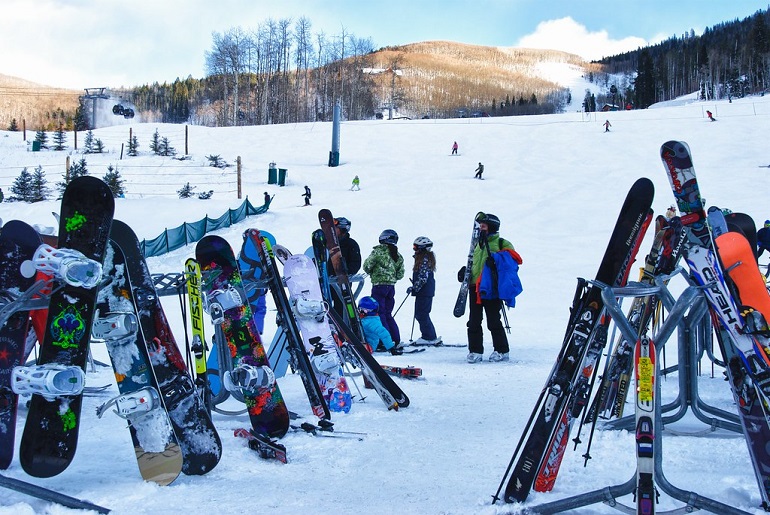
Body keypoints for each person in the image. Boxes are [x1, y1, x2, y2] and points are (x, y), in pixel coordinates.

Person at [462, 213, 522, 363]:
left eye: (483, 226)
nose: (480, 228)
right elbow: (475, 264)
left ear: (492, 226)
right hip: (475, 288)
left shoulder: (502, 243)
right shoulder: (477, 244)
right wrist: (466, 274)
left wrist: (496, 260)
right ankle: (475, 351)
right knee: (473, 321)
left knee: (493, 321)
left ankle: (502, 350)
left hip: (492, 289)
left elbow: (513, 263)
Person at [363, 229, 405, 345]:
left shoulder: (377, 252)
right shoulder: (397, 255)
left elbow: (367, 266)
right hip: (391, 287)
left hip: (378, 286)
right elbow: (401, 274)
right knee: (388, 313)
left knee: (379, 313)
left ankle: (384, 341)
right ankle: (395, 338)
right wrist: (391, 278)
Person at [409, 236, 440, 345]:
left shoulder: (424, 259)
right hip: (425, 291)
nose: (414, 249)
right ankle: (429, 336)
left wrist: (415, 287)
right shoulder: (424, 258)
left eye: (416, 247)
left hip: (424, 292)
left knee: (421, 314)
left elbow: (423, 277)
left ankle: (429, 337)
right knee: (421, 313)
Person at [328, 216, 362, 316]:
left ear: (343, 230)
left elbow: (356, 263)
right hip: (328, 281)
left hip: (342, 283)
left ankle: (344, 327)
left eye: (336, 229)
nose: (333, 231)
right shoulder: (328, 244)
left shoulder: (351, 244)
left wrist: (345, 272)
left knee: (341, 307)